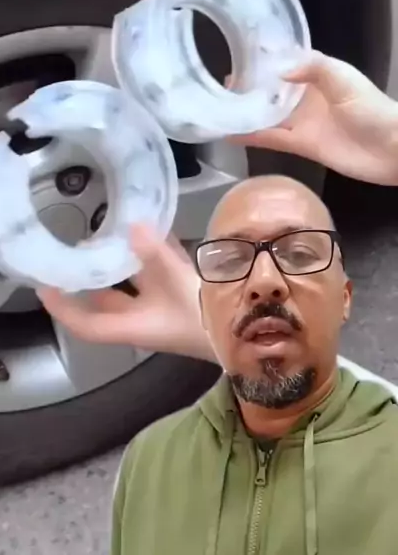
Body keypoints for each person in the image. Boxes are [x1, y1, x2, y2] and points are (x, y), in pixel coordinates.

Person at [38, 50, 398, 555]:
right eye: (231, 260)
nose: (264, 282)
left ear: (345, 298)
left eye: (299, 254)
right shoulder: (149, 466)